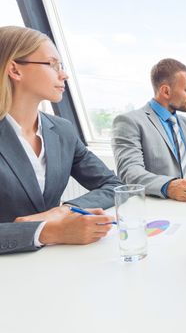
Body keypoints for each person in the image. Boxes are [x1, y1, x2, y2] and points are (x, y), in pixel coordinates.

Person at [0, 26, 120, 255]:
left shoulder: (62, 130)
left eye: (61, 66)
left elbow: (113, 185)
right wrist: (48, 231)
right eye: (52, 64)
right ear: (15, 69)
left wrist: (64, 211)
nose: (63, 74)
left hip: (56, 264)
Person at [112, 58, 186, 202]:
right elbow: (130, 173)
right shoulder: (130, 122)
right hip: (161, 209)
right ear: (166, 91)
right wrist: (169, 186)